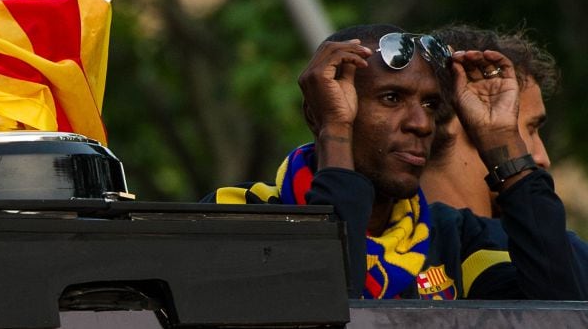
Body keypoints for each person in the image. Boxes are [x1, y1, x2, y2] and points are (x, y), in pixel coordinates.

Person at [208, 24, 587, 300]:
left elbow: (561, 307)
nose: (421, 123)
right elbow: (330, 306)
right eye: (391, 98)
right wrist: (336, 133)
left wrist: (501, 139)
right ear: (318, 111)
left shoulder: (457, 238)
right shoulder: (240, 217)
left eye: (430, 104)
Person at [421, 24, 558, 217]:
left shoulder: (376, 240)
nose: (543, 158)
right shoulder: (536, 245)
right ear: (471, 113)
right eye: (531, 129)